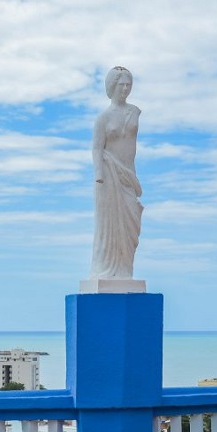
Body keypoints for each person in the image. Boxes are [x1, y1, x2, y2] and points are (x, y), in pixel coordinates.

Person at [89, 66, 142, 280]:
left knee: (131, 225)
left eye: (128, 85)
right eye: (121, 85)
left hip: (128, 176)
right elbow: (96, 148)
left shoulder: (135, 112)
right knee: (108, 226)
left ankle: (125, 271)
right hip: (108, 176)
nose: (125, 89)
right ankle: (105, 270)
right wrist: (98, 174)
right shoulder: (103, 117)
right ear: (112, 86)